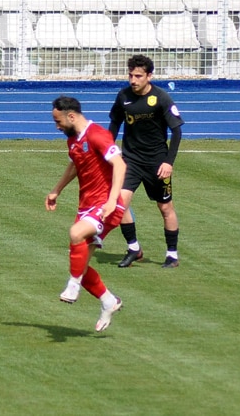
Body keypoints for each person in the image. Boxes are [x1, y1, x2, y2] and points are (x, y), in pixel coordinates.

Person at [46, 96, 125, 332]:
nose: (56, 126)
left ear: (71, 116)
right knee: (81, 265)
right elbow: (75, 165)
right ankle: (109, 301)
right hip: (86, 207)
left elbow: (120, 165)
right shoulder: (73, 140)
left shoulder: (97, 135)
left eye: (58, 121)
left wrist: (112, 200)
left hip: (106, 207)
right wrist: (56, 191)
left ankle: (73, 286)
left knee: (75, 233)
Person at [108, 55, 184, 268]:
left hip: (157, 163)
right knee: (119, 204)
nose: (133, 80)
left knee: (165, 207)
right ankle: (134, 249)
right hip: (130, 160)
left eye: (138, 76)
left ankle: (172, 254)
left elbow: (177, 131)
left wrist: (169, 163)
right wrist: (110, 151)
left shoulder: (161, 98)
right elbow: (114, 124)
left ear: (149, 76)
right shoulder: (123, 96)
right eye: (131, 75)